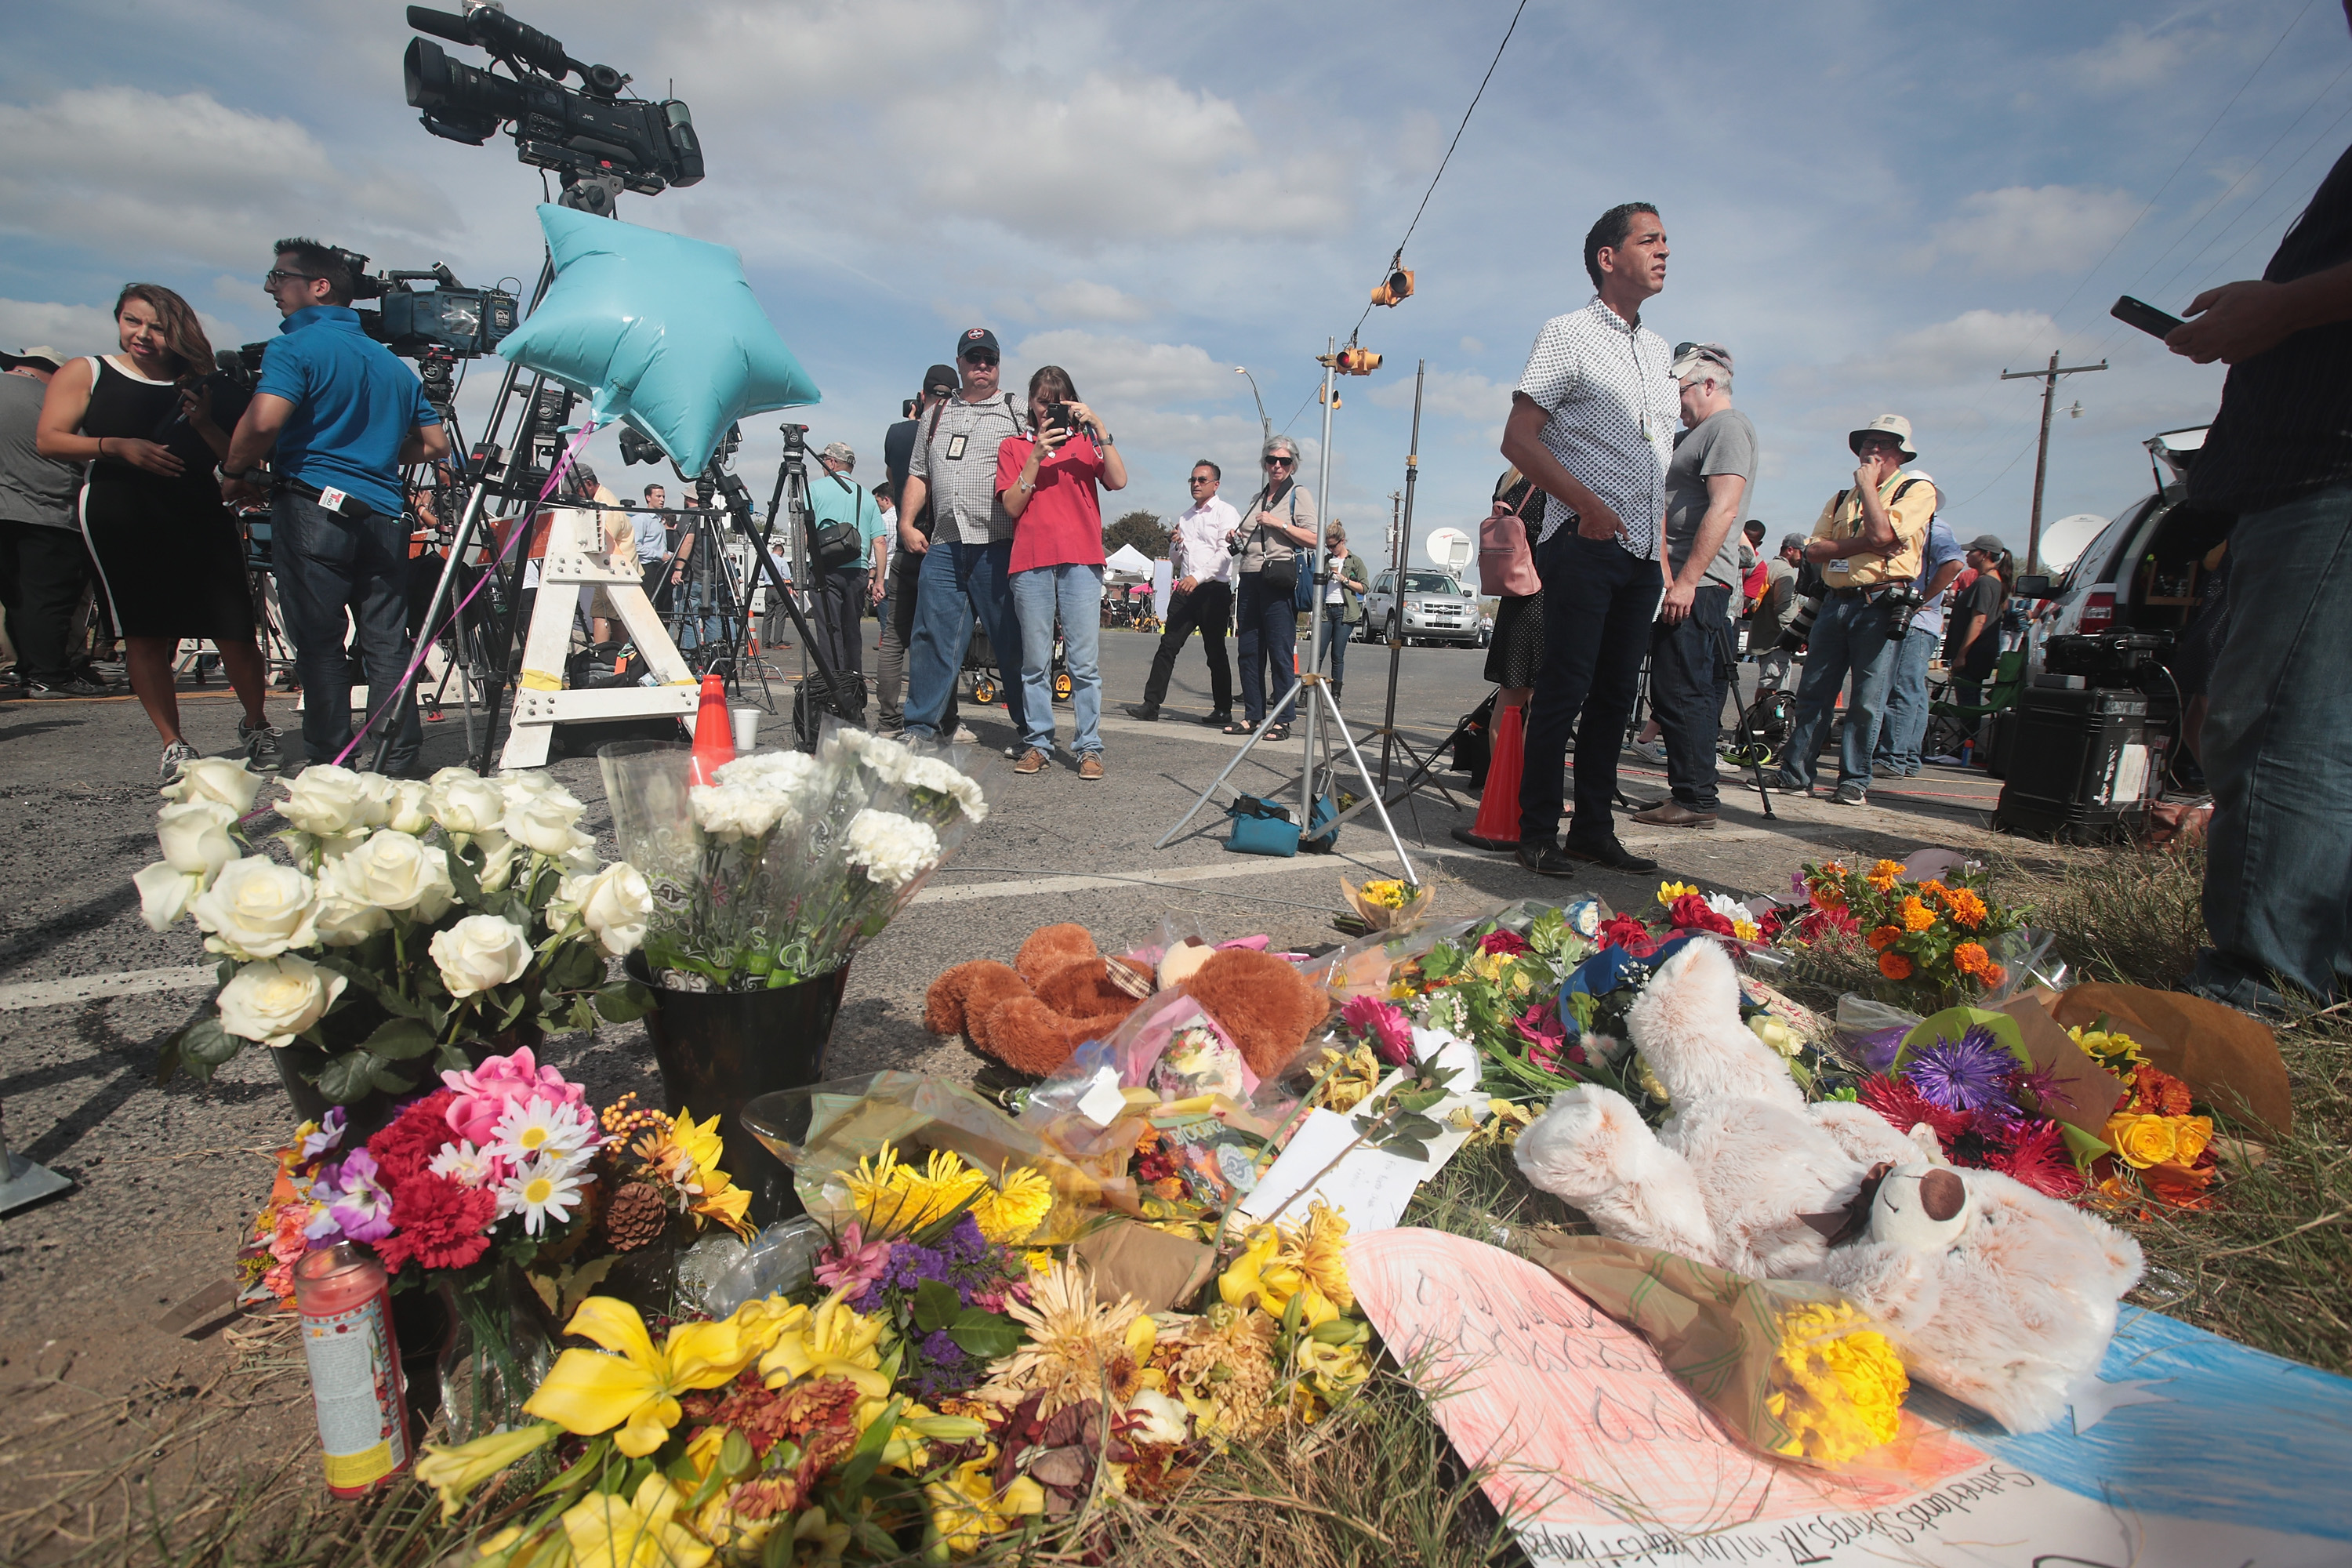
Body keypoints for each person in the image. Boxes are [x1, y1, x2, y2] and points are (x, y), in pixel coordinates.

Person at [2161, 56, 2352, 1007]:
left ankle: (2256, 995)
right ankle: (2313, 968)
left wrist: (2284, 308)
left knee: (2282, 727)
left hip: (2330, 463)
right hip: (2312, 460)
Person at [213, 241, 447, 775]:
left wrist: (233, 472)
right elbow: (435, 447)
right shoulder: (393, 366)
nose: (271, 287)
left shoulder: (296, 348)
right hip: (385, 513)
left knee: (320, 644)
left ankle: (331, 764)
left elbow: (265, 421)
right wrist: (382, 455)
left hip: (315, 504)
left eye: (279, 276)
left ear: (319, 286)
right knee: (388, 644)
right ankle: (399, 762)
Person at [38, 286, 284, 779]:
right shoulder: (88, 372)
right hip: (119, 508)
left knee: (234, 628)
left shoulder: (206, 384)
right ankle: (173, 742)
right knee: (145, 631)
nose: (142, 336)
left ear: (178, 331)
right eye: (132, 322)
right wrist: (116, 447)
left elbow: (239, 460)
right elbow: (49, 439)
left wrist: (203, 420)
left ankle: (257, 722)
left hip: (198, 508)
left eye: (156, 327)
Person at [1500, 201, 1679, 876]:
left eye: (1667, 241)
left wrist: (1659, 551)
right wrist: (1587, 506)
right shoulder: (1568, 333)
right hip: (1583, 540)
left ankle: (1593, 829)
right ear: (1609, 257)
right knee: (1564, 688)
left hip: (1639, 555)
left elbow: (1652, 460)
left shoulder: (1660, 352)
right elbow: (1518, 438)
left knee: (1614, 697)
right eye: (1650, 240)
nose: (1664, 251)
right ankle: (1538, 829)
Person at [1767, 416, 1937, 808]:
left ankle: (1854, 779)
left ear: (1900, 453)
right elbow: (1814, 550)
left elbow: (1882, 534)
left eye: (1882, 444)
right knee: (1813, 692)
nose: (1871, 451)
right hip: (1835, 602)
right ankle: (1796, 775)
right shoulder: (1842, 497)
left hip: (1881, 604)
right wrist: (1868, 543)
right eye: (1866, 444)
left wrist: (1868, 496)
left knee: (1866, 699)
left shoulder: (1917, 490)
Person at [1631, 342, 1755, 831]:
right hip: (1680, 579)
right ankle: (1690, 792)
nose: (1675, 400)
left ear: (1709, 385)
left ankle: (1696, 797)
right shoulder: (1697, 432)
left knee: (1685, 690)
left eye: (1680, 389)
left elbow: (1723, 509)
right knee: (1674, 687)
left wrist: (1684, 582)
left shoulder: (1726, 427)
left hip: (1697, 584)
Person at [898, 328, 1029, 744]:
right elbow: (919, 472)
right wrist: (906, 522)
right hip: (945, 544)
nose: (982, 366)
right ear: (960, 363)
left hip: (1000, 544)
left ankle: (1032, 730)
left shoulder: (1018, 411)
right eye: (974, 358)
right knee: (932, 640)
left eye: (989, 358)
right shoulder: (935, 415)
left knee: (1012, 642)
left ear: (998, 363)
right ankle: (920, 728)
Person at [998, 365, 1126, 777]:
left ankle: (1089, 746)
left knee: (1084, 664)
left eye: (1058, 399)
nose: (1047, 407)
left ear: (1071, 402)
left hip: (1081, 560)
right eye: (1041, 400)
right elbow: (1012, 506)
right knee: (1035, 662)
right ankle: (1037, 742)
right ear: (1031, 405)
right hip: (1031, 561)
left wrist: (1099, 426)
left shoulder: (1087, 445)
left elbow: (1119, 481)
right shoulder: (1014, 446)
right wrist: (1036, 455)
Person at [1, 347, 107, 699]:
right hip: (48, 514)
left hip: (4, 511)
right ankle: (50, 676)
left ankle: (24, 670)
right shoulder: (51, 402)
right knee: (47, 599)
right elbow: (86, 457)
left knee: (14, 598)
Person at [877, 365, 962, 736]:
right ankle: (946, 718)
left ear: (921, 396)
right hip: (941, 543)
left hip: (905, 542)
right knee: (942, 637)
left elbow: (896, 482)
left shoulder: (897, 433)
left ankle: (887, 720)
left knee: (894, 638)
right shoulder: (952, 428)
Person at [1131, 459, 1237, 723]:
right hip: (1186, 590)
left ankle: (1223, 709)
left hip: (1213, 589)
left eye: (1202, 480)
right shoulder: (1186, 517)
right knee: (1168, 645)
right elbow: (1177, 560)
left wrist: (1198, 578)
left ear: (1216, 484)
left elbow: (1226, 554)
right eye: (1192, 480)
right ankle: (1151, 704)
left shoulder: (1226, 513)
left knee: (1215, 651)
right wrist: (1176, 544)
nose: (1196, 485)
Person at [1228, 434, 1317, 739]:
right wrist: (1236, 537)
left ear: (1293, 465)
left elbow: (1313, 538)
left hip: (1278, 577)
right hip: (1250, 576)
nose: (1277, 466)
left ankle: (1283, 718)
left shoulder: (1298, 495)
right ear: (1264, 463)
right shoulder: (1257, 498)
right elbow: (1248, 535)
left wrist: (1278, 524)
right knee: (1249, 650)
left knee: (1279, 649)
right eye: (1272, 460)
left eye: (1284, 461)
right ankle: (1253, 714)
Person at [1872, 513, 1968, 779]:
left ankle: (1893, 758)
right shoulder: (1925, 527)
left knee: (1902, 688)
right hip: (1920, 622)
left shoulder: (1933, 528)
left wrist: (1919, 601)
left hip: (1916, 623)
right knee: (1912, 691)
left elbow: (1955, 563)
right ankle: (1906, 757)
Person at [805, 440, 883, 693]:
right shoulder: (866, 495)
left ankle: (832, 685)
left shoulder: (814, 490)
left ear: (831, 462)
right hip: (857, 570)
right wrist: (879, 580)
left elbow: (804, 532)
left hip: (824, 568)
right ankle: (854, 683)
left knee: (828, 629)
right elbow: (879, 542)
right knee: (852, 629)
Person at [1947, 536, 2012, 711]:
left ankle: (1968, 739)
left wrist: (1961, 655)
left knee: (1968, 705)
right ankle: (1969, 738)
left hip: (1972, 656)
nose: (1967, 555)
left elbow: (1979, 620)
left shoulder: (1985, 583)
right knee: (1970, 702)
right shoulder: (1993, 581)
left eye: (1972, 551)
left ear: (1985, 555)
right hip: (1979, 654)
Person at [1316, 521, 1368, 702]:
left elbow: (1364, 588)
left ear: (1342, 541)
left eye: (1333, 546)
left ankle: (1335, 695)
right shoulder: (1324, 561)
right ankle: (1306, 693)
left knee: (1337, 655)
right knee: (1318, 652)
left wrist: (1344, 579)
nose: (1331, 549)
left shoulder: (1355, 561)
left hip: (1345, 612)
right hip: (1325, 610)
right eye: (1327, 546)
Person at [1748, 534, 1804, 691]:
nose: (1804, 559)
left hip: (1764, 638)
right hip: (1777, 641)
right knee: (1773, 688)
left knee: (1767, 684)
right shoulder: (1786, 572)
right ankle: (1766, 716)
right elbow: (1784, 610)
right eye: (1802, 553)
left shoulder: (1770, 566)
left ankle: (1764, 714)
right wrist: (1795, 636)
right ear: (1790, 550)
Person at [635, 483, 672, 609]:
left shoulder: (659, 520)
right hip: (647, 568)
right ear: (648, 498)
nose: (662, 500)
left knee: (664, 604)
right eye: (658, 496)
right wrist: (660, 555)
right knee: (646, 604)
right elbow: (636, 546)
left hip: (660, 567)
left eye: (663, 497)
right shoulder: (641, 519)